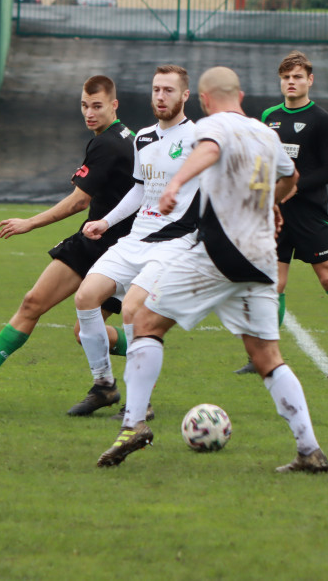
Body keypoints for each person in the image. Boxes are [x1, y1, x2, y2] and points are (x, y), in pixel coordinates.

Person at [97, 67, 328, 474]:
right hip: (260, 257)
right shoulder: (266, 132)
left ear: (204, 99)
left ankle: (133, 424)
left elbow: (209, 151)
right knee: (266, 355)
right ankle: (309, 449)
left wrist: (174, 184)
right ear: (240, 94)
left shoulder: (215, 125)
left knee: (146, 323)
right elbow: (292, 178)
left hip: (219, 251)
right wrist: (273, 203)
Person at [0, 76, 136, 401]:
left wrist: (29, 223)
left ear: (114, 105)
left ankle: (144, 348)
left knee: (65, 321)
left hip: (111, 248)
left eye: (97, 106)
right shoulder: (123, 136)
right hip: (106, 244)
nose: (89, 113)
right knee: (55, 316)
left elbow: (79, 201)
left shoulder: (107, 143)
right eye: (84, 105)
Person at [234, 50, 328, 378]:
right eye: (286, 77)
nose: (291, 82)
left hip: (310, 215)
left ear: (310, 80)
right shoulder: (269, 116)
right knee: (276, 285)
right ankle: (264, 356)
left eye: (297, 77)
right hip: (277, 215)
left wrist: (297, 185)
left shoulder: (322, 119)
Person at [71, 65, 199, 419]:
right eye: (156, 89)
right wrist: (105, 221)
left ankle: (139, 403)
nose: (160, 97)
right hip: (137, 236)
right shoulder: (143, 137)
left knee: (132, 310)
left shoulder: (198, 138)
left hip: (175, 241)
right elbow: (140, 191)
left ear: (185, 96)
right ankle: (103, 385)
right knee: (85, 298)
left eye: (169, 91)